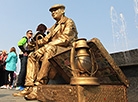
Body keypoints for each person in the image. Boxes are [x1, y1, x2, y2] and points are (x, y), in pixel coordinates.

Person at [13, 4, 78, 100]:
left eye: (55, 10)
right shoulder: (53, 27)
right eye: (51, 11)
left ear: (63, 10)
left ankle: (38, 87)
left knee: (49, 49)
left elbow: (65, 39)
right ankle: (29, 86)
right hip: (53, 50)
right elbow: (45, 39)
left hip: (66, 51)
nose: (53, 13)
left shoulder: (69, 22)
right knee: (32, 55)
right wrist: (34, 43)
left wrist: (45, 47)